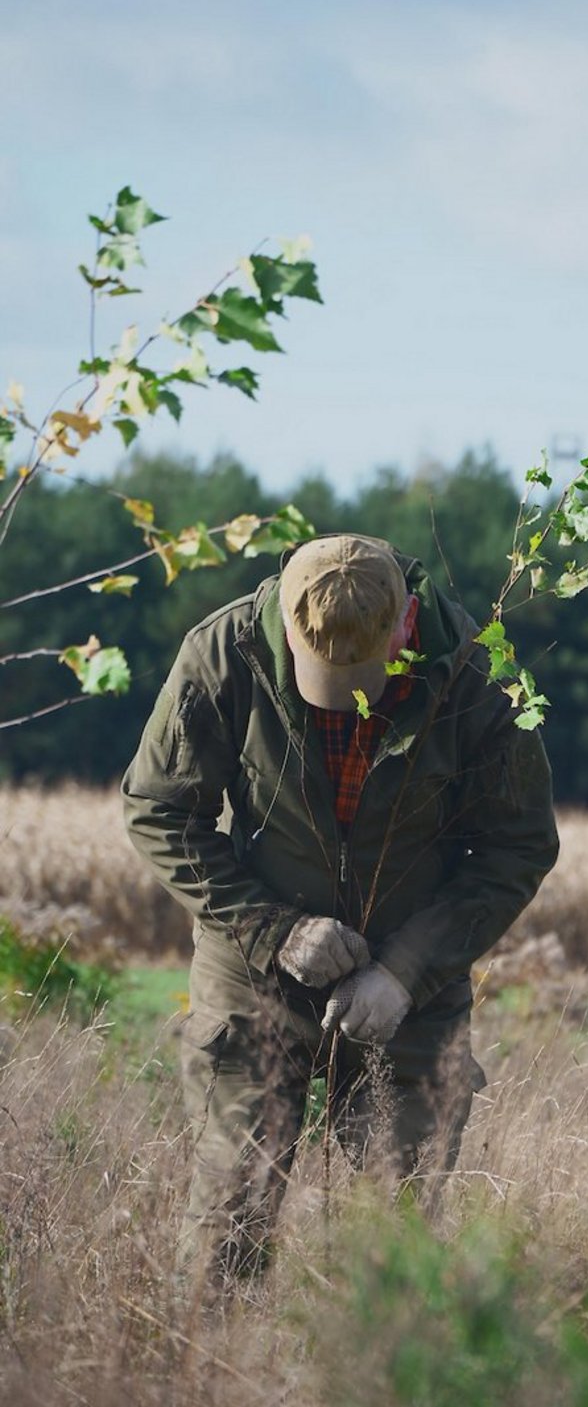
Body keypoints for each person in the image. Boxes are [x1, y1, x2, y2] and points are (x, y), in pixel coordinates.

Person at [122, 533, 559, 1288]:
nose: (351, 693)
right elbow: (161, 811)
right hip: (255, 971)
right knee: (228, 1228)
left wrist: (404, 971)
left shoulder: (479, 677)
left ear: (406, 623)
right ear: (289, 626)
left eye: (367, 672)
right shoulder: (223, 655)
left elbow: (515, 846)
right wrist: (274, 930)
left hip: (409, 988)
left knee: (398, 1243)